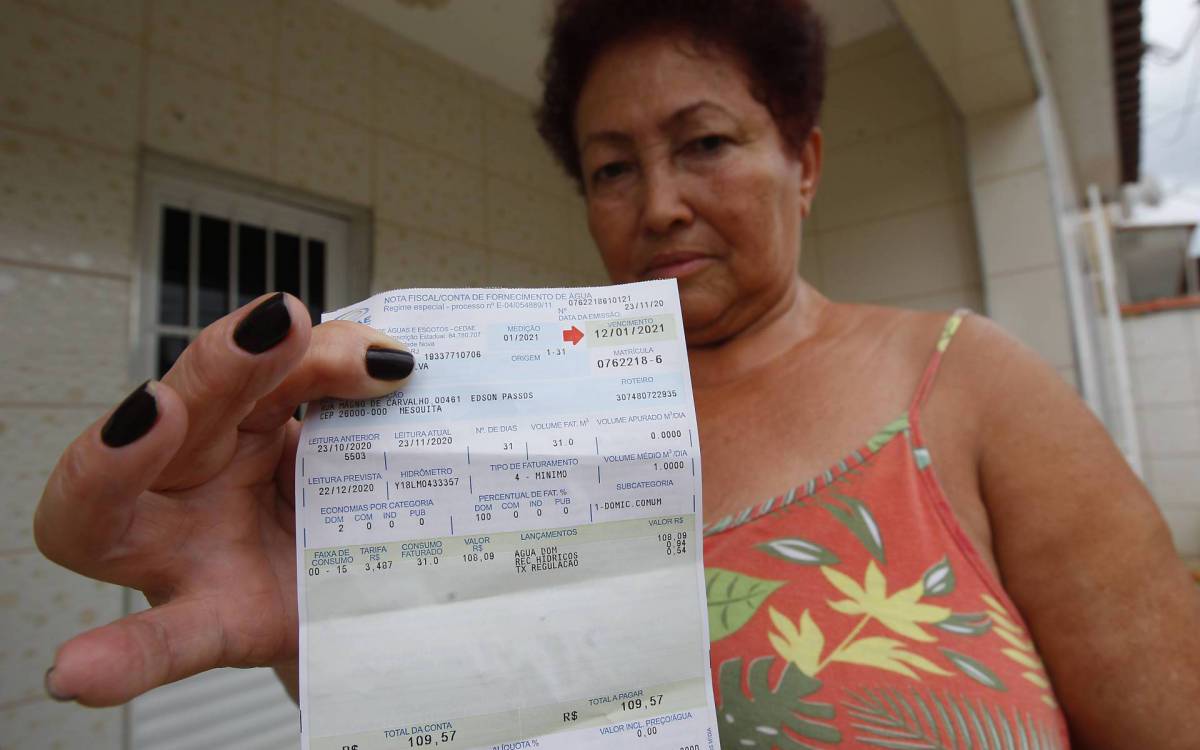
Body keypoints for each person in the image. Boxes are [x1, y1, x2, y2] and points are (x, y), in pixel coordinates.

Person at [34, 0, 1199, 747]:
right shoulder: (503, 429)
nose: (661, 204)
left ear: (803, 162)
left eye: (706, 142)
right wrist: (332, 628)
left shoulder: (969, 383)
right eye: (610, 167)